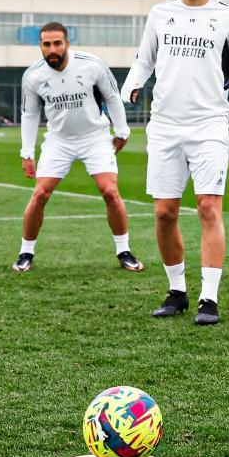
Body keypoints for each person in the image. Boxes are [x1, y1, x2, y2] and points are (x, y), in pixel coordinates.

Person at [120, 0, 229, 326]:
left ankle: (209, 298)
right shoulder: (159, 14)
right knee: (164, 212)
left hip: (209, 127)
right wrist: (131, 85)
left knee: (207, 207)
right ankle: (177, 292)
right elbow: (143, 60)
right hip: (165, 126)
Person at [13, 21, 142, 273]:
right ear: (40, 46)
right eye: (46, 44)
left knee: (110, 192)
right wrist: (27, 153)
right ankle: (25, 252)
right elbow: (29, 115)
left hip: (95, 137)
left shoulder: (92, 65)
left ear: (67, 43)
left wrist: (122, 130)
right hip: (58, 141)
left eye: (57, 43)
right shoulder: (33, 76)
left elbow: (113, 99)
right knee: (40, 194)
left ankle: (124, 251)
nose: (52, 49)